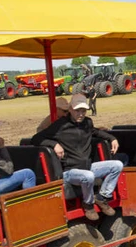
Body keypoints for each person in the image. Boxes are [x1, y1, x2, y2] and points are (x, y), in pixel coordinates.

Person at [31, 93, 121, 222]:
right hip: (70, 171)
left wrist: (112, 138)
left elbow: (95, 132)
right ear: (71, 110)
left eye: (83, 110)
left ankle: (102, 197)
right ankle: (88, 204)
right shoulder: (60, 125)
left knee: (117, 165)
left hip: (87, 167)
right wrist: (54, 144)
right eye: (77, 110)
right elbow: (36, 138)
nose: (81, 114)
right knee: (88, 176)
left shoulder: (87, 123)